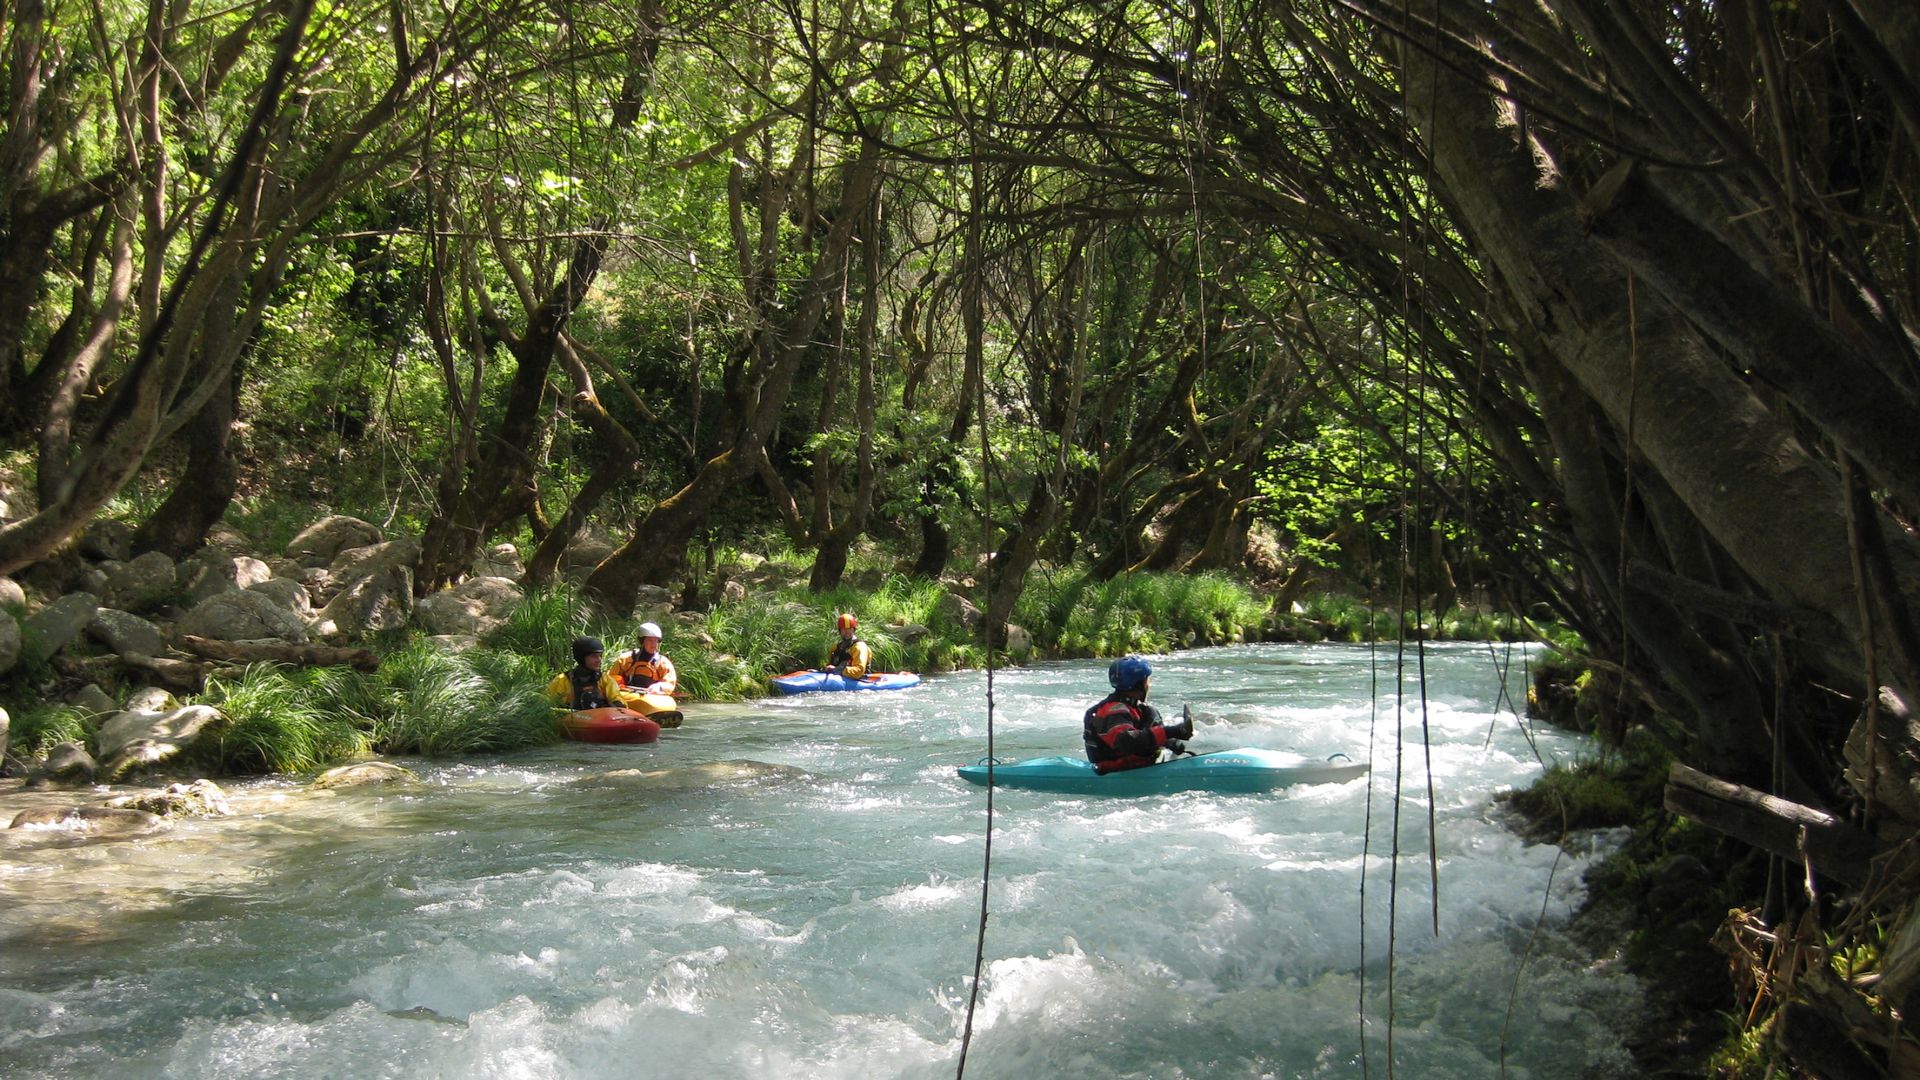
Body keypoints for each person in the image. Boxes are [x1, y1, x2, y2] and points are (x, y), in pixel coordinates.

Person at [1083, 655, 1195, 774]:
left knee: (1152, 714)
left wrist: (1168, 741)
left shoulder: (1138, 708)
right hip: (1116, 772)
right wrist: (1170, 731)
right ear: (1138, 684)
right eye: (1147, 680)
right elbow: (1126, 741)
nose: (1149, 685)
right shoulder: (1113, 711)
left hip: (1139, 767)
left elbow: (1144, 736)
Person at [546, 636, 631, 710]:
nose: (599, 660)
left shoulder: (605, 679)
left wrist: (618, 705)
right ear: (581, 658)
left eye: (599, 656)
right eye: (594, 656)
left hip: (601, 721)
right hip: (574, 722)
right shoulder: (562, 681)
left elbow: (616, 697)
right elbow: (547, 704)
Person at [611, 622, 678, 694]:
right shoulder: (625, 659)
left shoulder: (663, 663)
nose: (653, 644)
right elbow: (612, 677)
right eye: (650, 640)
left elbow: (669, 683)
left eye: (656, 640)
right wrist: (619, 684)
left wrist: (660, 686)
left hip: (652, 696)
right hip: (628, 694)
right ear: (642, 641)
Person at [824, 612, 872, 679]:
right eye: (844, 629)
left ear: (854, 630)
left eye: (850, 629)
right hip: (838, 678)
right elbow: (830, 665)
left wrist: (837, 670)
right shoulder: (835, 648)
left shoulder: (859, 647)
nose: (847, 632)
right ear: (840, 631)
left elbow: (859, 670)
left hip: (859, 680)